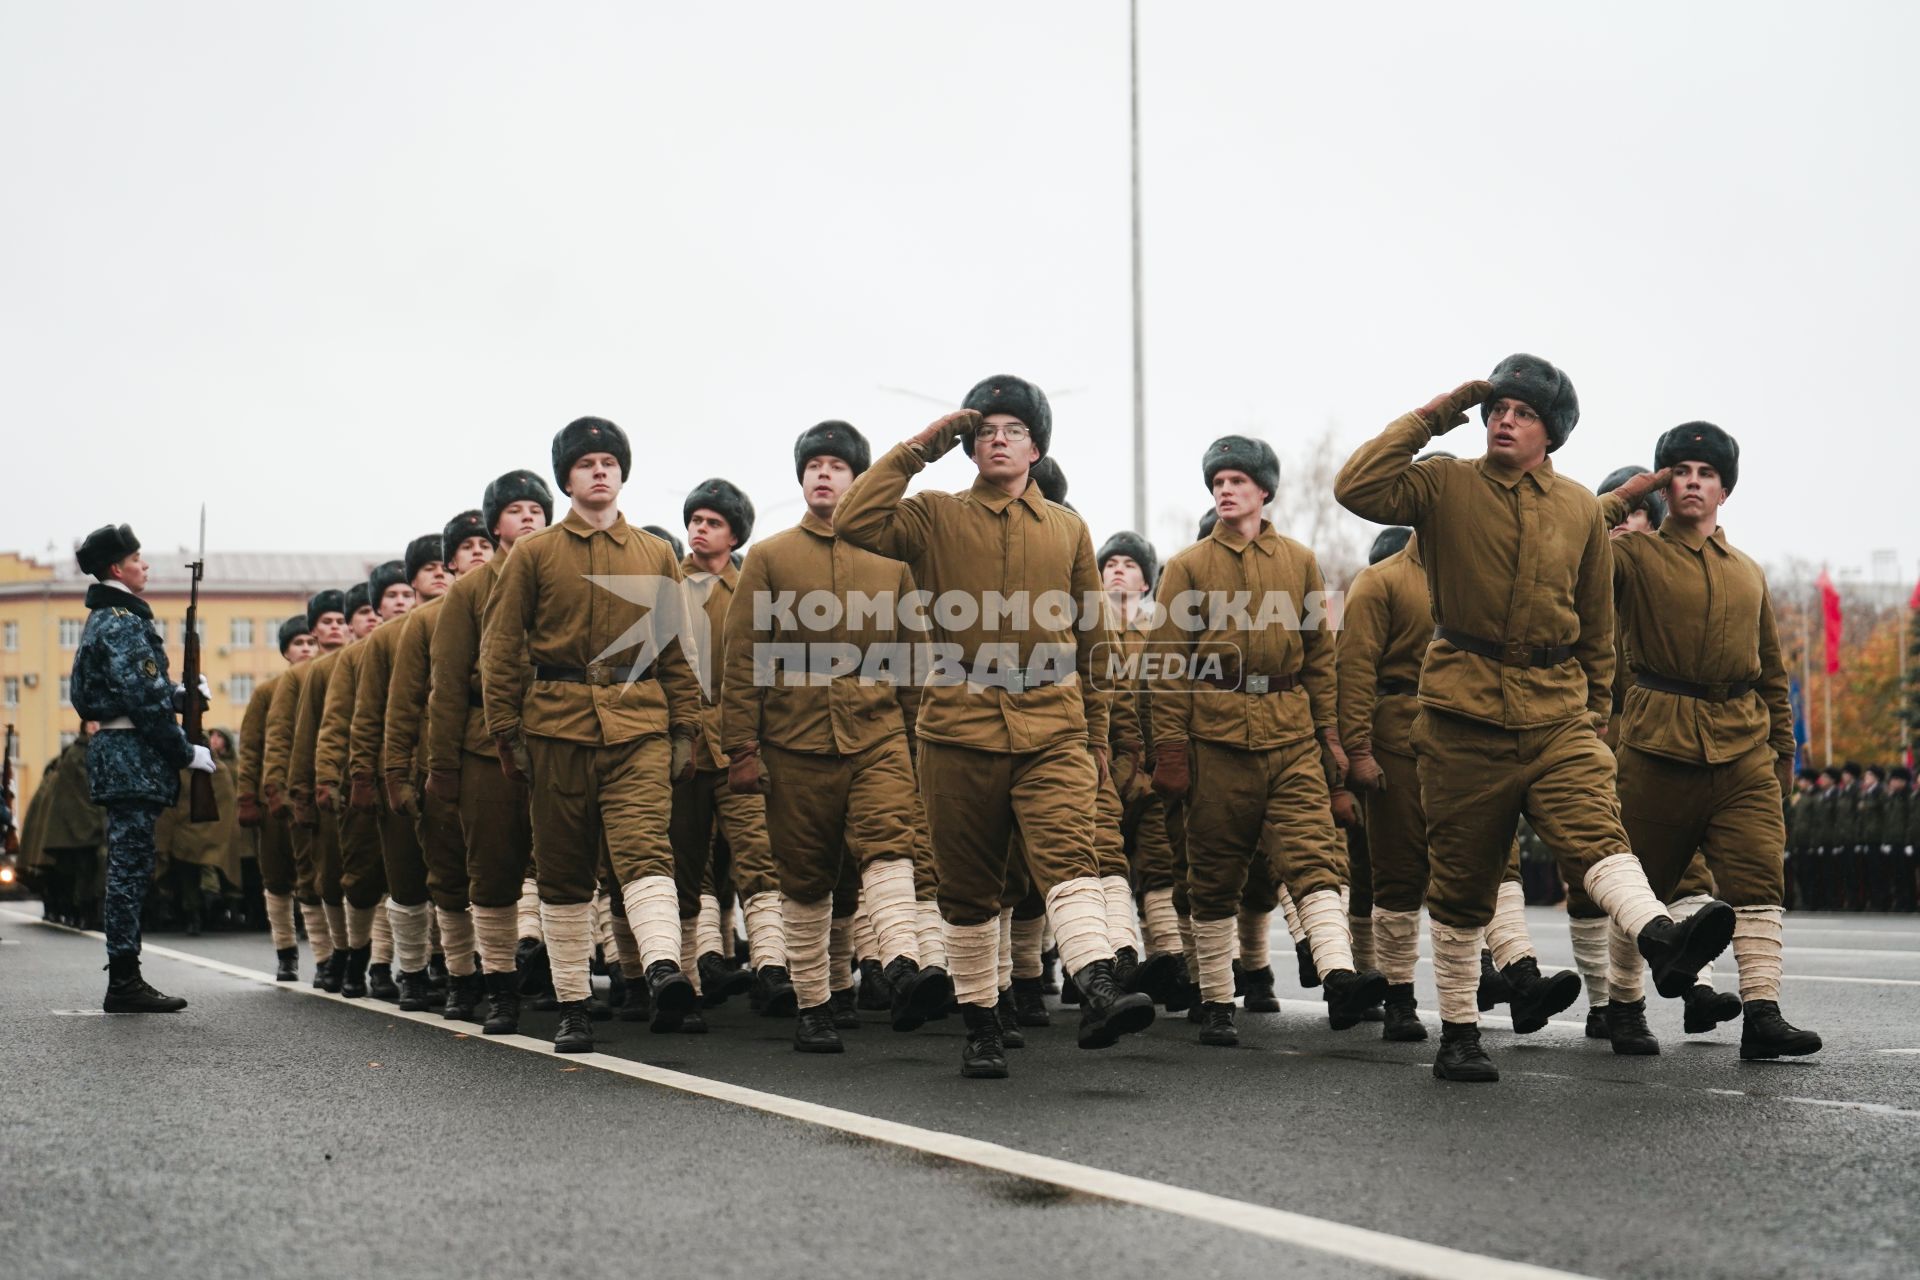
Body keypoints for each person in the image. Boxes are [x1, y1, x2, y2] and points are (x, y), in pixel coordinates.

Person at [1334, 356, 1734, 1082]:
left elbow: (1596, 622)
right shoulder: (1444, 482)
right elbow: (1356, 484)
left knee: (1596, 832)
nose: (1502, 420)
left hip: (1556, 711)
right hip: (1462, 715)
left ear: (1551, 432)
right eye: (1497, 409)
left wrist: (1597, 712)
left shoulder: (1580, 507)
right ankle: (1458, 1031)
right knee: (1461, 878)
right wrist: (1435, 413)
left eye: (1521, 412)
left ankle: (1661, 936)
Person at [836, 376, 1154, 1078]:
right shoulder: (933, 516)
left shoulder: (1068, 528)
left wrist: (1098, 737)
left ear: (1036, 447)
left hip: (1053, 723)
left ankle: (1098, 986)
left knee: (1068, 853)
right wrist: (919, 449)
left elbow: (1094, 640)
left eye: (1013, 430)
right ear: (967, 447)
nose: (998, 440)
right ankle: (981, 1022)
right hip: (959, 727)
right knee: (970, 885)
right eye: (985, 431)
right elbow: (855, 522)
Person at [723, 421, 952, 1051]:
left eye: (838, 467)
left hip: (876, 732)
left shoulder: (891, 562)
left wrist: (917, 743)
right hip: (792, 740)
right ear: (801, 479)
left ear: (859, 482)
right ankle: (817, 1004)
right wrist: (741, 747)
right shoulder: (770, 556)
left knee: (889, 844)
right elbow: (743, 656)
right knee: (805, 876)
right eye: (814, 466)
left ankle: (902, 963)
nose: (824, 475)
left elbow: (915, 663)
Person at [481, 417, 704, 1053]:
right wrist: (507, 732)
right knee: (564, 866)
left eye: (609, 461)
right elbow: (500, 650)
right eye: (586, 464)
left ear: (622, 473)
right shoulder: (534, 554)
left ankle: (662, 968)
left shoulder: (655, 553)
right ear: (568, 479)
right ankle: (574, 1004)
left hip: (638, 725)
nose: (599, 471)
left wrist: (684, 727)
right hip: (557, 728)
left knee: (644, 847)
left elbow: (679, 651)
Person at [1150, 435, 1382, 1048]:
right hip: (1215, 739)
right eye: (1217, 483)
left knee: (1313, 855)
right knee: (1214, 872)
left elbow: (1319, 660)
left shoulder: (1300, 561)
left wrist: (1329, 740)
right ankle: (1217, 1000)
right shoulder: (1188, 567)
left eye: (1236, 481)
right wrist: (1171, 750)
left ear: (1264, 491)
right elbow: (1167, 666)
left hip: (1290, 735)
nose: (1224, 491)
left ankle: (1338, 977)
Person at [1601, 426, 1820, 1059]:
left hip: (1743, 748)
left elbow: (1772, 671)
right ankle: (1623, 1004)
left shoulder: (1748, 573)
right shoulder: (1633, 556)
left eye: (1705, 472)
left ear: (1725, 488)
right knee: (1640, 881)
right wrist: (1633, 491)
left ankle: (1763, 1014)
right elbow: (1575, 539)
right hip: (1657, 744)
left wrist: (1784, 754)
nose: (1692, 481)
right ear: (1666, 484)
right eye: (1680, 470)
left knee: (1758, 878)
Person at [67, 523, 215, 1012]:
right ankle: (125, 981)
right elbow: (142, 700)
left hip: (121, 754)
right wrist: (183, 750)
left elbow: (124, 691)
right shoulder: (121, 620)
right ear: (116, 568)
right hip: (132, 755)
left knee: (130, 865)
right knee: (130, 869)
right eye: (137, 559)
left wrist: (178, 695)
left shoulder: (105, 619)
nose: (145, 565)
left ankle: (126, 977)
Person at [425, 470, 552, 1035]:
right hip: (485, 748)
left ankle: (566, 983)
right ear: (496, 523)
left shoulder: (563, 574)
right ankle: (496, 986)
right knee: (494, 870)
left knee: (564, 866)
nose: (527, 517)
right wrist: (443, 767)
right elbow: (447, 684)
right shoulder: (471, 592)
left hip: (560, 738)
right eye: (515, 509)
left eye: (536, 508)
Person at [671, 477, 779, 1014]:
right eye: (694, 521)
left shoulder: (754, 592)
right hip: (686, 748)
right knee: (686, 865)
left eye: (712, 522)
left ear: (735, 534)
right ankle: (690, 979)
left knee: (759, 857)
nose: (699, 530)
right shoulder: (668, 587)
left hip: (740, 745)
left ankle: (773, 967)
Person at [383, 512, 493, 1020]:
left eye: (483, 543)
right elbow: (400, 707)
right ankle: (451, 974)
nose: (477, 552)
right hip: (440, 764)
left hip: (507, 760)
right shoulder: (419, 625)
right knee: (443, 878)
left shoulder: (521, 606)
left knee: (503, 875)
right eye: (465, 546)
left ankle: (505, 974)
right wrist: (394, 774)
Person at [264, 589, 350, 986]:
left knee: (347, 875)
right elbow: (278, 739)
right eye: (327, 621)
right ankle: (323, 955)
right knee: (310, 876)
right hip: (306, 786)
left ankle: (353, 954)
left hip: (347, 785)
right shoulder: (294, 679)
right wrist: (274, 791)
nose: (336, 627)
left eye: (340, 619)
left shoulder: (355, 662)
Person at [239, 615, 320, 979]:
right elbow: (251, 747)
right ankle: (286, 951)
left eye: (311, 642)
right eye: (299, 644)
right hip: (273, 798)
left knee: (316, 876)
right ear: (286, 651)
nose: (306, 649)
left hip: (315, 795)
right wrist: (247, 798)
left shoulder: (329, 681)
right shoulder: (266, 692)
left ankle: (325, 954)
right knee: (276, 878)